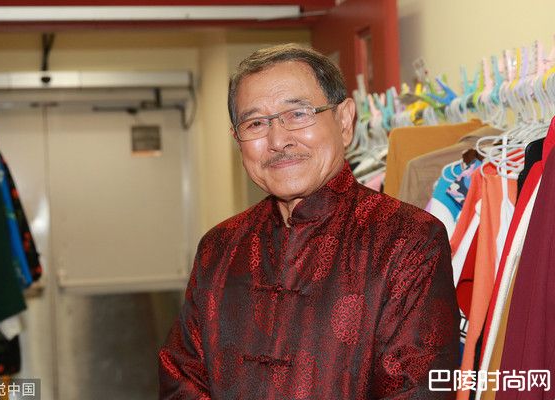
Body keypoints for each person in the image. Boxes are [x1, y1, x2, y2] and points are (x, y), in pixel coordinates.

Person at [159, 43, 460, 399]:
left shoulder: (408, 240)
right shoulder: (220, 246)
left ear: (344, 120)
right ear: (238, 140)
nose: (277, 141)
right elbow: (181, 377)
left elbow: (419, 388)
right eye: (255, 123)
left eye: (298, 114)